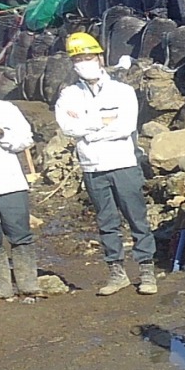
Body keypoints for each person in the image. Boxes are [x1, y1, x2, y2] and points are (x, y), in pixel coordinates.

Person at [54, 32, 157, 296]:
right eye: (78, 59)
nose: (83, 63)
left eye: (87, 57)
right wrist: (101, 121)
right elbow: (67, 127)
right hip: (92, 167)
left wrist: (86, 126)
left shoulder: (122, 91)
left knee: (136, 217)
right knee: (106, 222)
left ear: (99, 57)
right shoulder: (69, 95)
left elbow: (125, 127)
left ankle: (147, 270)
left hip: (123, 164)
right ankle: (116, 272)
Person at [0, 60, 40, 299]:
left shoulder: (6, 110)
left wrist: (1, 133)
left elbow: (25, 140)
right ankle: (3, 287)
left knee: (20, 236)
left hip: (10, 184)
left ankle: (29, 285)